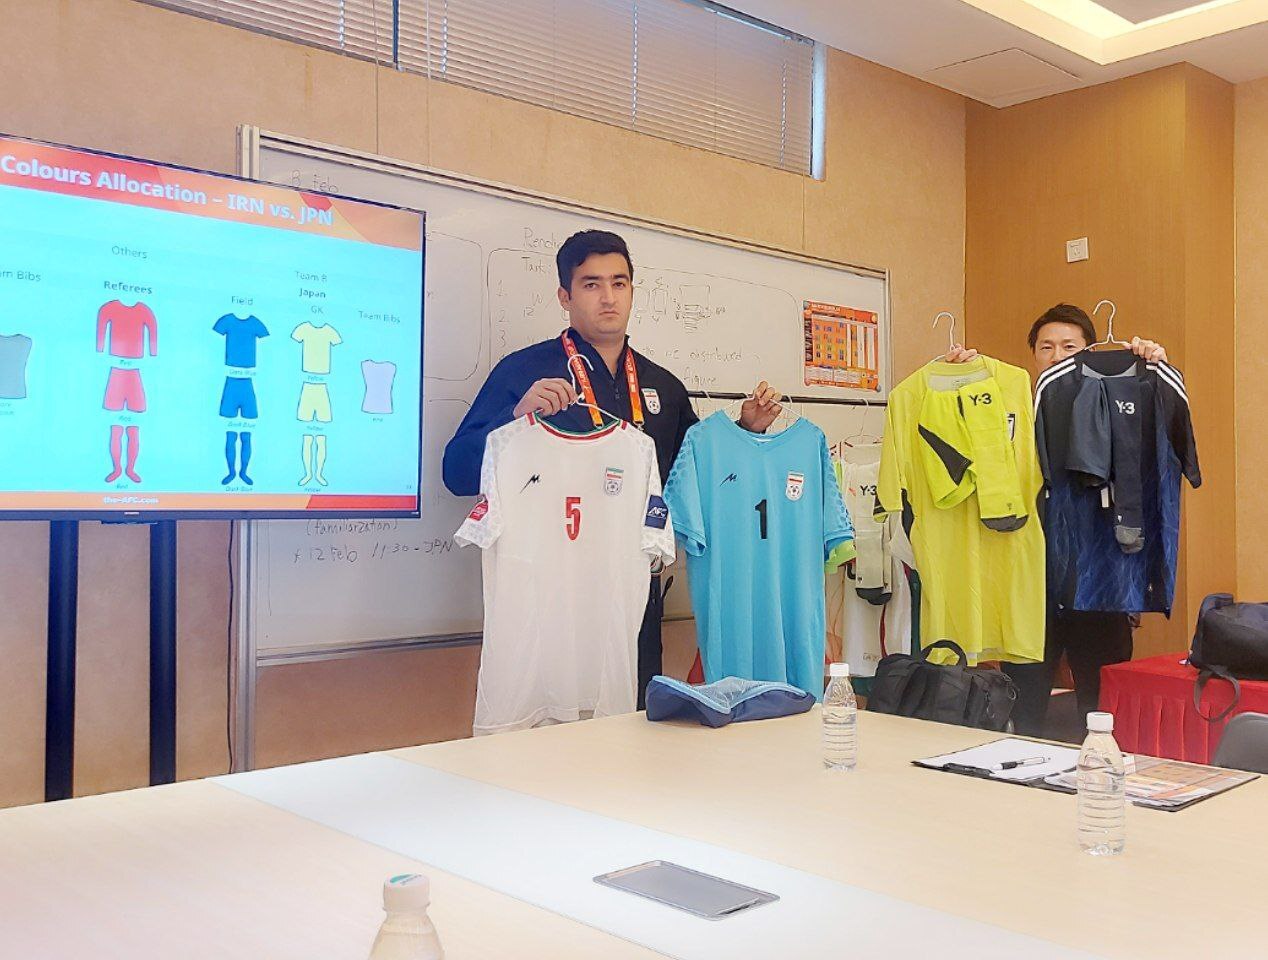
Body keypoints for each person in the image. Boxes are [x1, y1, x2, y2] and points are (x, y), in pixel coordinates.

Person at [443, 229, 783, 707]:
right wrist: (514, 415)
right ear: (564, 296)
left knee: (630, 730)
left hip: (634, 597)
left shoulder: (663, 386)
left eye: (619, 283)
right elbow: (456, 472)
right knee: (554, 726)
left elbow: (700, 481)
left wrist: (747, 432)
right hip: (551, 598)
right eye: (591, 284)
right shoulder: (523, 373)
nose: (608, 297)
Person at [946, 303, 1168, 735]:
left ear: (1088, 351)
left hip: (1097, 582)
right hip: (1029, 584)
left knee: (1101, 711)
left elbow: (1152, 429)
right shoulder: (1010, 410)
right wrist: (961, 378)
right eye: (1046, 347)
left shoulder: (1112, 403)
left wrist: (1152, 363)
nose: (1056, 356)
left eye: (1069, 347)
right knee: (1023, 707)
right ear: (1033, 355)